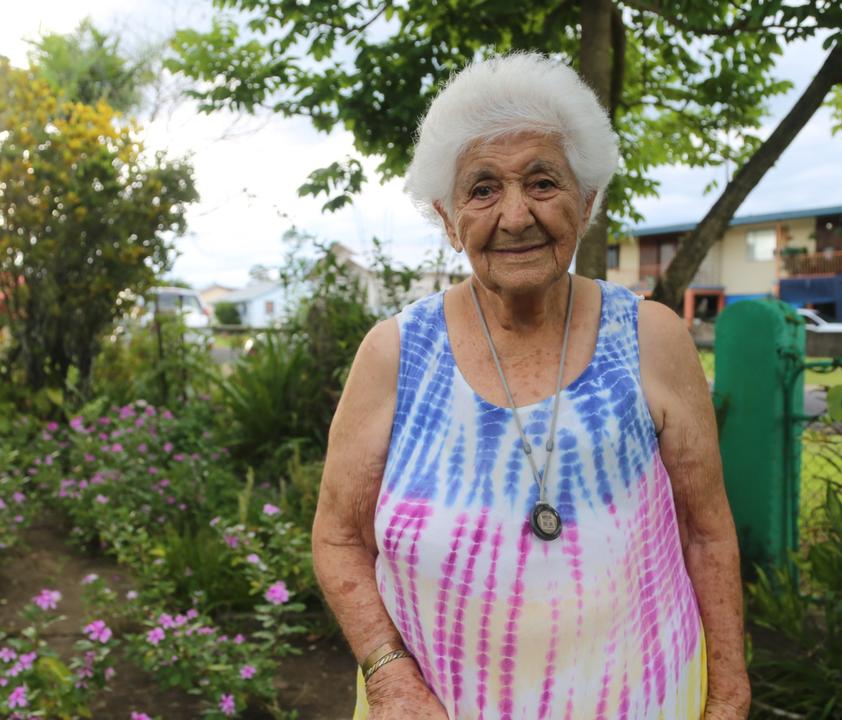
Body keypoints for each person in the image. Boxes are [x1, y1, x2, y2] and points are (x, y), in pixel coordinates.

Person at [311, 53, 749, 720]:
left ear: (589, 200)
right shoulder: (396, 354)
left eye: (542, 182)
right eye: (482, 189)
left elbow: (707, 534)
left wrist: (728, 696)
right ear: (447, 216)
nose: (515, 216)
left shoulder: (650, 340)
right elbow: (338, 540)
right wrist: (389, 674)